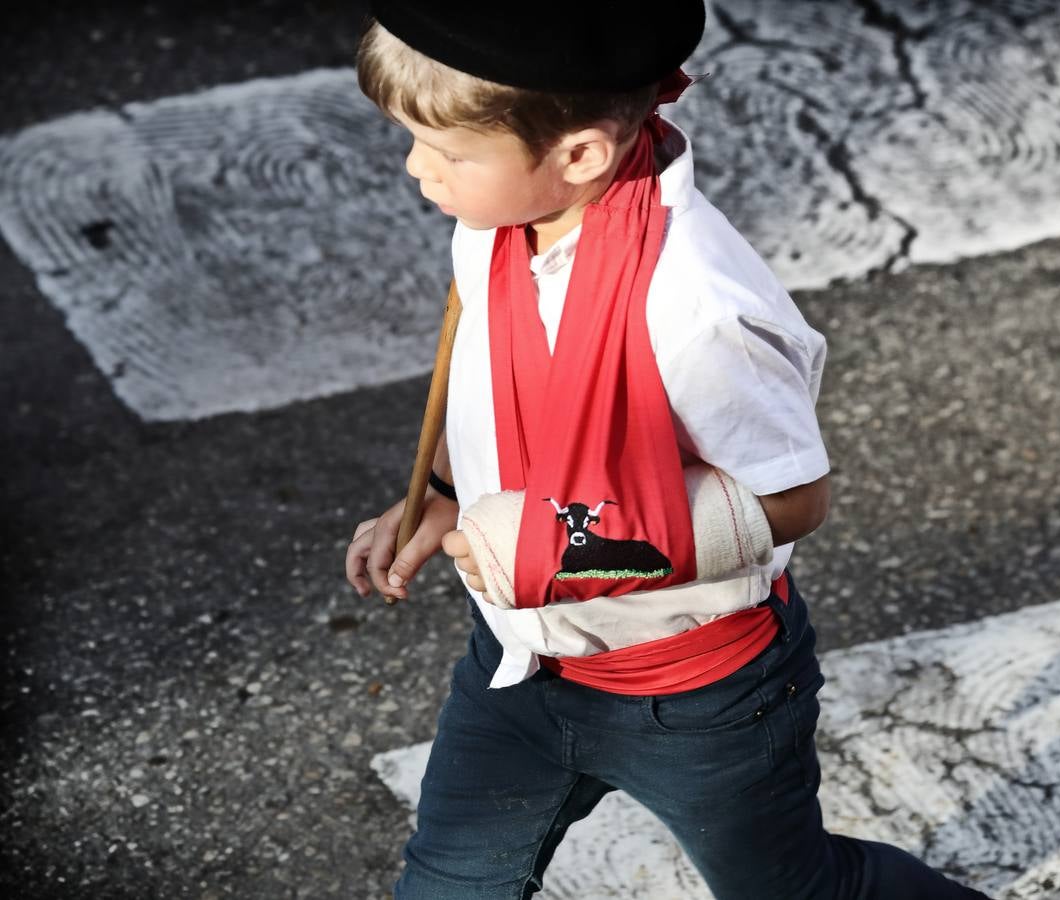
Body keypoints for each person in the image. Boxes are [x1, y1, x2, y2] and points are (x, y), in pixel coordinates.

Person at [344, 2, 992, 898]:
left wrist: (568, 544)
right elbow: (493, 384)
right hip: (517, 664)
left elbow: (796, 498)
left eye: (447, 152)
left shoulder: (696, 311)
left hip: (696, 698)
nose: (419, 170)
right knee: (448, 883)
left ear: (578, 155)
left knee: (797, 892)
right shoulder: (496, 225)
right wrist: (443, 493)